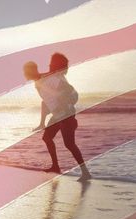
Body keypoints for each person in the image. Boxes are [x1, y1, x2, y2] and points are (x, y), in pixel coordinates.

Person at [23, 53, 91, 181]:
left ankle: (86, 173)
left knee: (69, 144)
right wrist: (42, 122)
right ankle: (55, 166)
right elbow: (45, 102)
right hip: (58, 115)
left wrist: (65, 107)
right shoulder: (39, 82)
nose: (24, 74)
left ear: (32, 70)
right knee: (47, 138)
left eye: (26, 71)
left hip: (66, 115)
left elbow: (68, 89)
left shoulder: (48, 79)